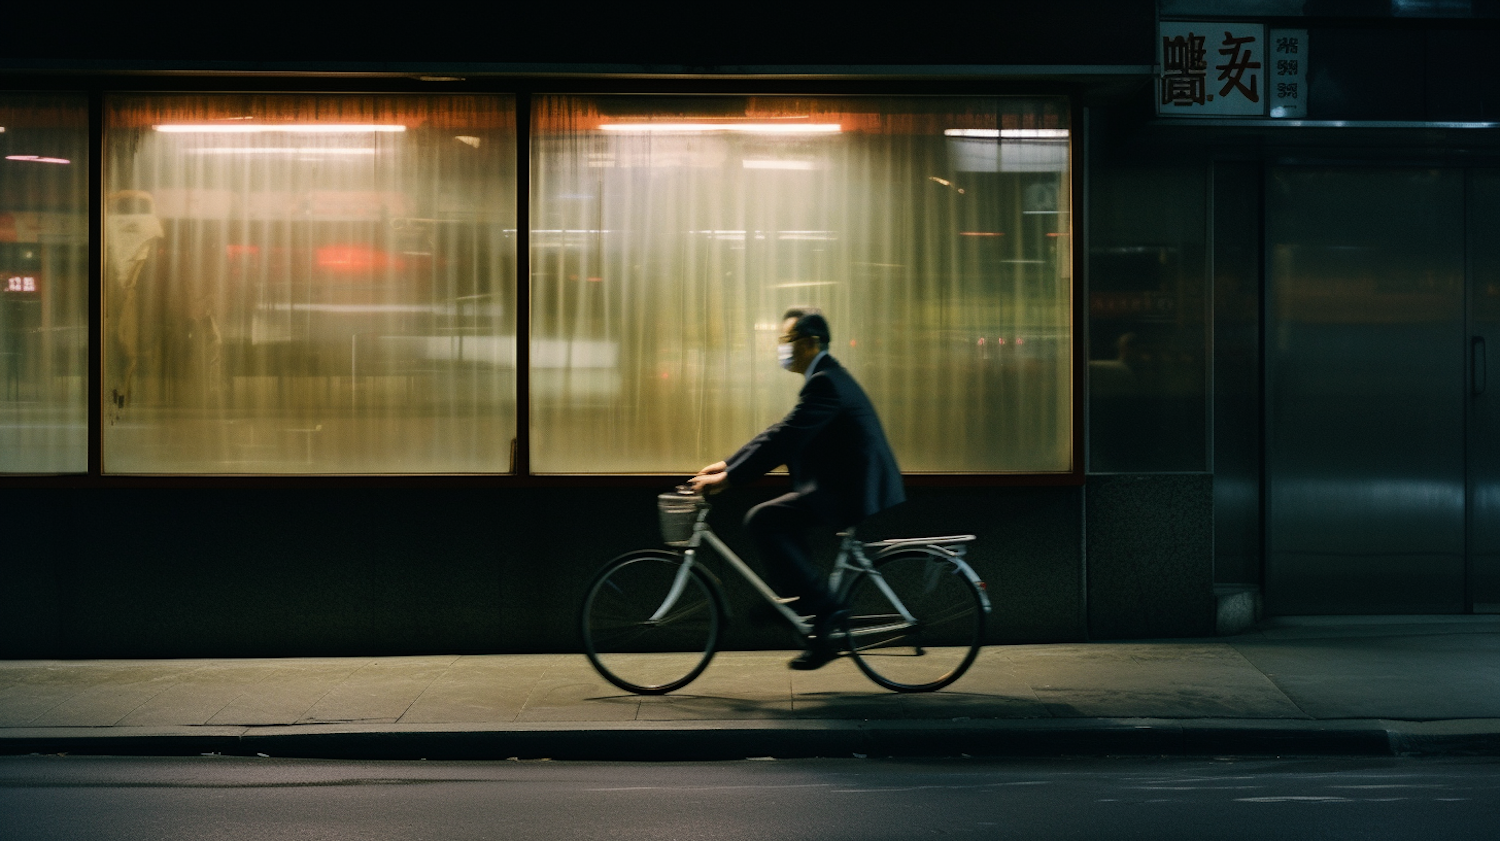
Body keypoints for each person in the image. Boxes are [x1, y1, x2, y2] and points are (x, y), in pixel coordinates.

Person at [688, 308, 905, 670]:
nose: (781, 350)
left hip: (850, 487)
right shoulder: (825, 376)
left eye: (786, 341)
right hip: (842, 482)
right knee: (779, 521)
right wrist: (727, 464)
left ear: (809, 343)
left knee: (765, 518)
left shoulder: (826, 382)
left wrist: (728, 480)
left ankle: (823, 608)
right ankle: (805, 604)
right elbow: (780, 431)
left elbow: (786, 439)